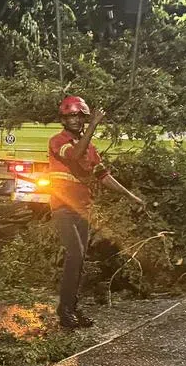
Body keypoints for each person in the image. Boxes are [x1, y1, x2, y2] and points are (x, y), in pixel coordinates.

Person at [50, 96, 145, 329]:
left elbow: (103, 175)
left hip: (82, 209)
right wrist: (93, 125)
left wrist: (130, 195)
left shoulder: (90, 148)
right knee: (74, 254)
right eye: (71, 116)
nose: (75, 120)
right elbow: (73, 156)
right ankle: (64, 310)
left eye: (79, 116)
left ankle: (72, 307)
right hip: (63, 207)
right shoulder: (57, 141)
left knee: (80, 258)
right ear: (63, 119)